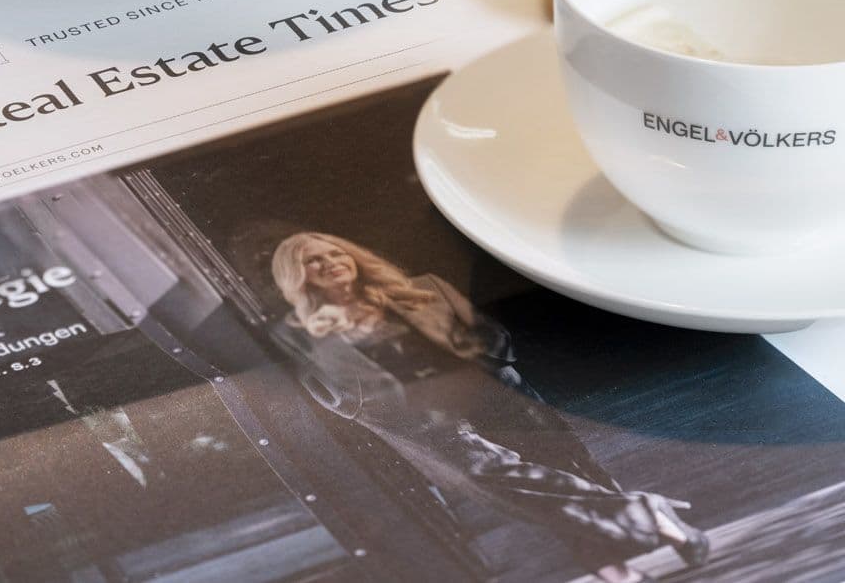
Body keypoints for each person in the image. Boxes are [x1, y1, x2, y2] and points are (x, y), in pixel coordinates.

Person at [270, 231, 709, 583]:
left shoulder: (422, 288)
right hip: (427, 424)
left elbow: (491, 335)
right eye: (313, 260)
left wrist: (482, 376)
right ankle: (648, 516)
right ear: (298, 276)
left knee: (564, 478)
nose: (329, 262)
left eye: (334, 252)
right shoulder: (300, 332)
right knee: (519, 491)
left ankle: (617, 572)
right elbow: (326, 391)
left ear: (353, 257)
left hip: (496, 399)